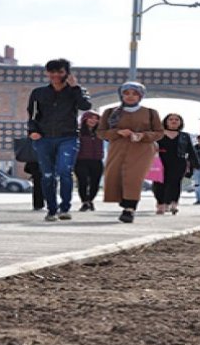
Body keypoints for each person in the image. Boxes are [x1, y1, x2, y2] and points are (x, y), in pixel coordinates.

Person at [26, 58, 92, 222]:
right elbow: (32, 114)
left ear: (67, 73)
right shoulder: (38, 93)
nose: (55, 75)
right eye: (52, 72)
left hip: (68, 137)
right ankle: (51, 210)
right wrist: (33, 131)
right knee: (47, 175)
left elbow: (86, 106)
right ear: (47, 73)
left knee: (64, 171)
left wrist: (75, 87)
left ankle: (65, 208)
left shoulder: (76, 91)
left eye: (60, 72)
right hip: (43, 137)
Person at [97, 82, 164, 223]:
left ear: (140, 96)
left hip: (142, 149)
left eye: (134, 93)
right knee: (116, 177)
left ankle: (129, 209)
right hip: (118, 148)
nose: (130, 97)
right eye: (126, 93)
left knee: (134, 178)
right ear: (121, 95)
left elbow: (159, 133)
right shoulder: (111, 112)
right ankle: (125, 201)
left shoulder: (150, 113)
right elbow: (101, 133)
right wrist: (117, 132)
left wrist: (142, 136)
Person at [151, 113, 199, 215]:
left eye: (177, 120)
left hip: (179, 162)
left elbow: (191, 150)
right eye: (171, 119)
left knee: (175, 183)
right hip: (160, 161)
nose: (174, 121)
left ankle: (173, 204)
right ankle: (161, 204)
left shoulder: (185, 136)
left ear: (180, 123)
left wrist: (196, 164)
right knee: (159, 184)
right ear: (166, 122)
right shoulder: (158, 134)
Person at [74, 110, 103, 211]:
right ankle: (85, 201)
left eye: (96, 119)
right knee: (83, 181)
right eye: (91, 118)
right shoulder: (78, 132)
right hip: (81, 160)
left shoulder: (100, 132)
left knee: (95, 183)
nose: (93, 120)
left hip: (96, 160)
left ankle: (90, 200)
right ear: (85, 119)